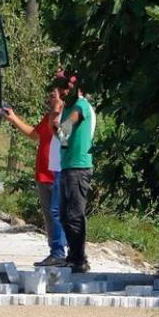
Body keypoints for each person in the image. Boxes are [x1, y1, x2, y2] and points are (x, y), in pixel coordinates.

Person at [0, 86, 68, 267]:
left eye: (53, 95)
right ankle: (55, 252)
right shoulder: (48, 117)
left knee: (57, 214)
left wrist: (56, 113)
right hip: (43, 173)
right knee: (49, 215)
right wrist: (13, 118)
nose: (49, 98)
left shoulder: (68, 117)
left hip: (58, 173)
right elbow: (34, 135)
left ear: (62, 97)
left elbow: (63, 137)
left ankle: (60, 252)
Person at [54, 71, 96, 273]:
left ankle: (80, 259)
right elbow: (62, 138)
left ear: (73, 88)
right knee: (63, 215)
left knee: (75, 214)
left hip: (79, 167)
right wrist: (57, 121)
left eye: (63, 87)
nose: (60, 91)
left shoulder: (81, 105)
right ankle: (74, 255)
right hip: (67, 166)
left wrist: (58, 123)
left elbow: (69, 126)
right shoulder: (67, 108)